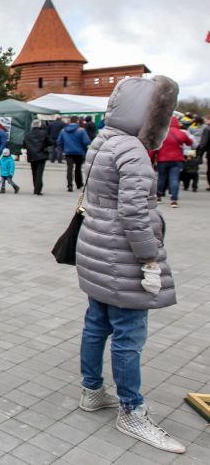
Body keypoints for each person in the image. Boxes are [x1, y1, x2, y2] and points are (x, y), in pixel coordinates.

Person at [74, 75, 186, 454]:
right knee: (128, 335)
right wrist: (149, 258)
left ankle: (91, 390)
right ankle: (132, 410)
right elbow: (136, 213)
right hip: (122, 255)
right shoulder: (134, 151)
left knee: (97, 323)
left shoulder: (103, 141)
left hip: (96, 249)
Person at [153, 117, 192, 207]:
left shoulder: (160, 134)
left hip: (162, 159)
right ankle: (174, 200)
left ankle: (158, 196)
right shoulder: (181, 133)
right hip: (177, 159)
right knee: (174, 179)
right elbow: (190, 143)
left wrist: (151, 159)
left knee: (161, 178)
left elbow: (154, 148)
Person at [57, 116, 91, 192]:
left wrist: (64, 148)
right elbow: (86, 142)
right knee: (78, 168)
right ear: (78, 121)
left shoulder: (63, 130)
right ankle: (79, 183)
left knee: (69, 168)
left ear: (70, 121)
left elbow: (59, 141)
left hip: (68, 152)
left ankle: (69, 185)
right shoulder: (81, 130)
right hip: (79, 152)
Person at [24, 119, 54, 195]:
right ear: (39, 125)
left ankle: (36, 188)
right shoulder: (43, 133)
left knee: (34, 173)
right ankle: (37, 190)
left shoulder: (28, 134)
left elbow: (24, 145)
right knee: (39, 173)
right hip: (41, 155)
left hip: (31, 156)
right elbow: (51, 142)